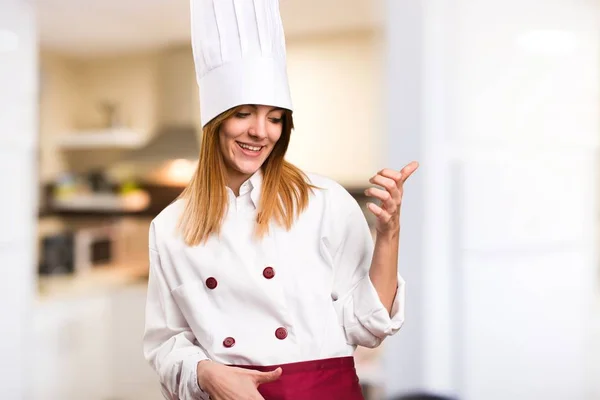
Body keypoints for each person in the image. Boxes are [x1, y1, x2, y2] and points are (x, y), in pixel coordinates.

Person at [142, 0, 419, 399]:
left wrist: (389, 234)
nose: (260, 132)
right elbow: (166, 344)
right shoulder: (169, 227)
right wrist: (208, 374)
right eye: (243, 114)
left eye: (275, 118)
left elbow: (366, 327)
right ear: (214, 122)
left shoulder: (324, 201)